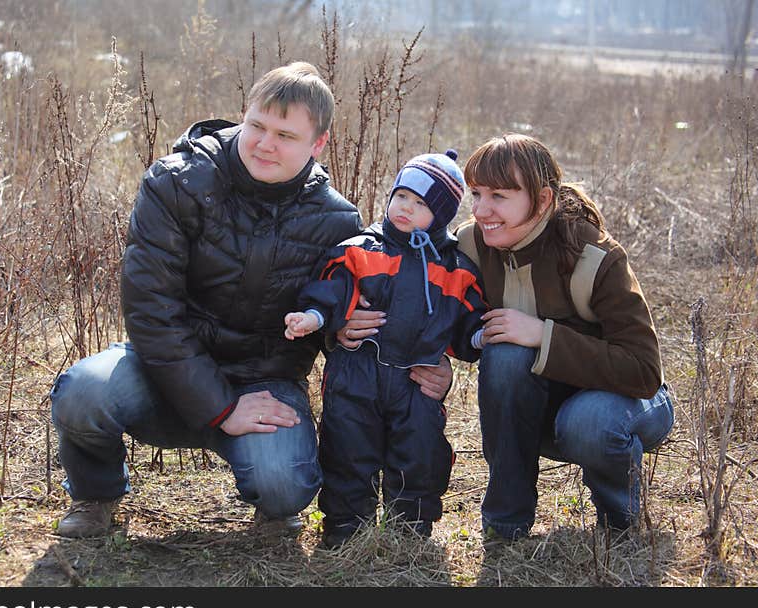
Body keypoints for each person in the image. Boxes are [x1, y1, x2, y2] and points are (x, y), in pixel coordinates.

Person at [48, 62, 448, 538]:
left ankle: (273, 503)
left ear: (317, 144)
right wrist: (221, 408)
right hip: (162, 371)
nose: (264, 143)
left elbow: (357, 317)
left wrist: (361, 339)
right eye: (257, 125)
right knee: (82, 393)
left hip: (265, 382)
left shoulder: (338, 221)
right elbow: (151, 311)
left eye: (285, 135)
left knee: (285, 484)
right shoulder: (176, 183)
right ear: (244, 115)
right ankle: (96, 496)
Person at [455, 133, 674, 540]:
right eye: (476, 193)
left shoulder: (595, 256)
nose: (482, 210)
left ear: (541, 200)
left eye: (500, 196)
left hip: (630, 403)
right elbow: (437, 311)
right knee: (504, 354)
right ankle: (505, 526)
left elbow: (644, 371)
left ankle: (620, 523)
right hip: (545, 406)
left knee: (588, 421)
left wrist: (542, 334)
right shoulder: (472, 244)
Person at [284, 150, 487, 548]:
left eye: (422, 204)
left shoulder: (455, 269)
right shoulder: (361, 250)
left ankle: (410, 528)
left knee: (420, 452)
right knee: (346, 448)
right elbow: (333, 289)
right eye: (402, 197)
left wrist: (480, 336)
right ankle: (345, 527)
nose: (406, 209)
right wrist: (315, 316)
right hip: (356, 374)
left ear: (442, 215)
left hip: (417, 380)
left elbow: (469, 319)